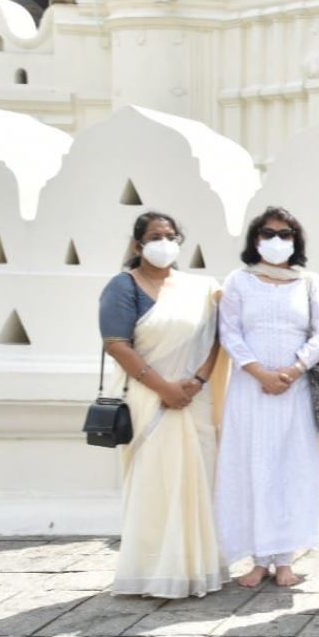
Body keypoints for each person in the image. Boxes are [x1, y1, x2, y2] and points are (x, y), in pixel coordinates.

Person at [99, 211, 224, 598]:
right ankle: (152, 570)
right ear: (138, 245)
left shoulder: (200, 289)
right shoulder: (123, 287)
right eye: (155, 236)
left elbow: (216, 339)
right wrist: (164, 388)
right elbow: (117, 344)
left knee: (198, 480)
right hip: (149, 399)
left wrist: (198, 380)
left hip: (194, 398)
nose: (164, 243)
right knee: (156, 482)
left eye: (171, 236)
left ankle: (196, 569)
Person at [216, 206, 319, 588]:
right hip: (250, 391)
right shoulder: (238, 281)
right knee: (252, 468)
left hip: (294, 391)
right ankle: (257, 559)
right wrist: (259, 373)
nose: (276, 241)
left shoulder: (309, 282)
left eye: (285, 234)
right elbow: (229, 333)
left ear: (296, 241)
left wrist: (294, 369)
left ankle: (285, 560)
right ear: (255, 239)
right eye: (268, 233)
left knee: (290, 470)